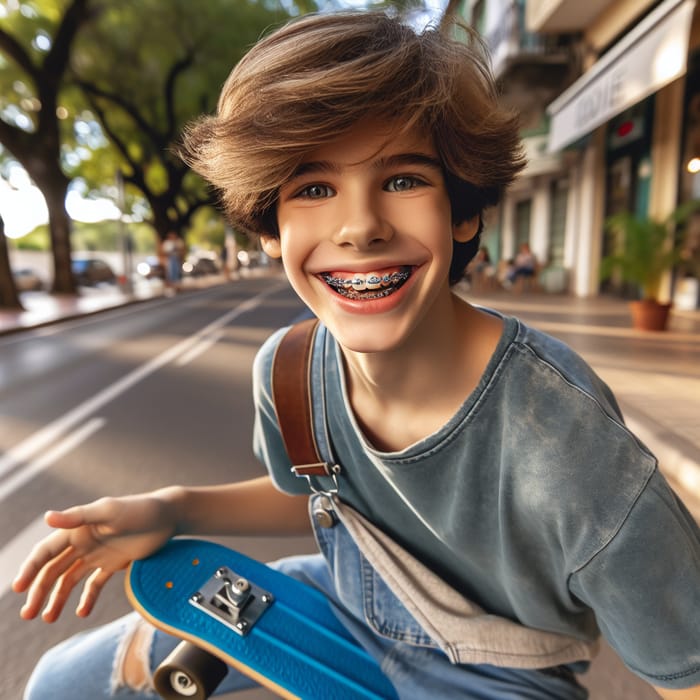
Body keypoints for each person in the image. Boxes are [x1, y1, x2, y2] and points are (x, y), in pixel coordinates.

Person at [13, 10, 700, 700]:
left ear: (464, 210)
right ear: (268, 228)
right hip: (349, 605)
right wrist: (173, 507)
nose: (361, 226)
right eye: (313, 188)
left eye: (403, 179)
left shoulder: (574, 453)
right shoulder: (290, 375)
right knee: (62, 681)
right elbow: (330, 496)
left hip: (504, 672)